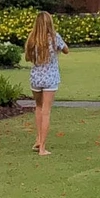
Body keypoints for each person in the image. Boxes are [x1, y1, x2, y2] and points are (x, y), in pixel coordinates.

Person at [23, 11, 67, 156]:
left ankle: (38, 139)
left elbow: (27, 58)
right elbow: (66, 50)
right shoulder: (54, 38)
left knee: (39, 106)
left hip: (36, 77)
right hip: (50, 78)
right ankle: (42, 147)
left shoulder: (32, 39)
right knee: (46, 111)